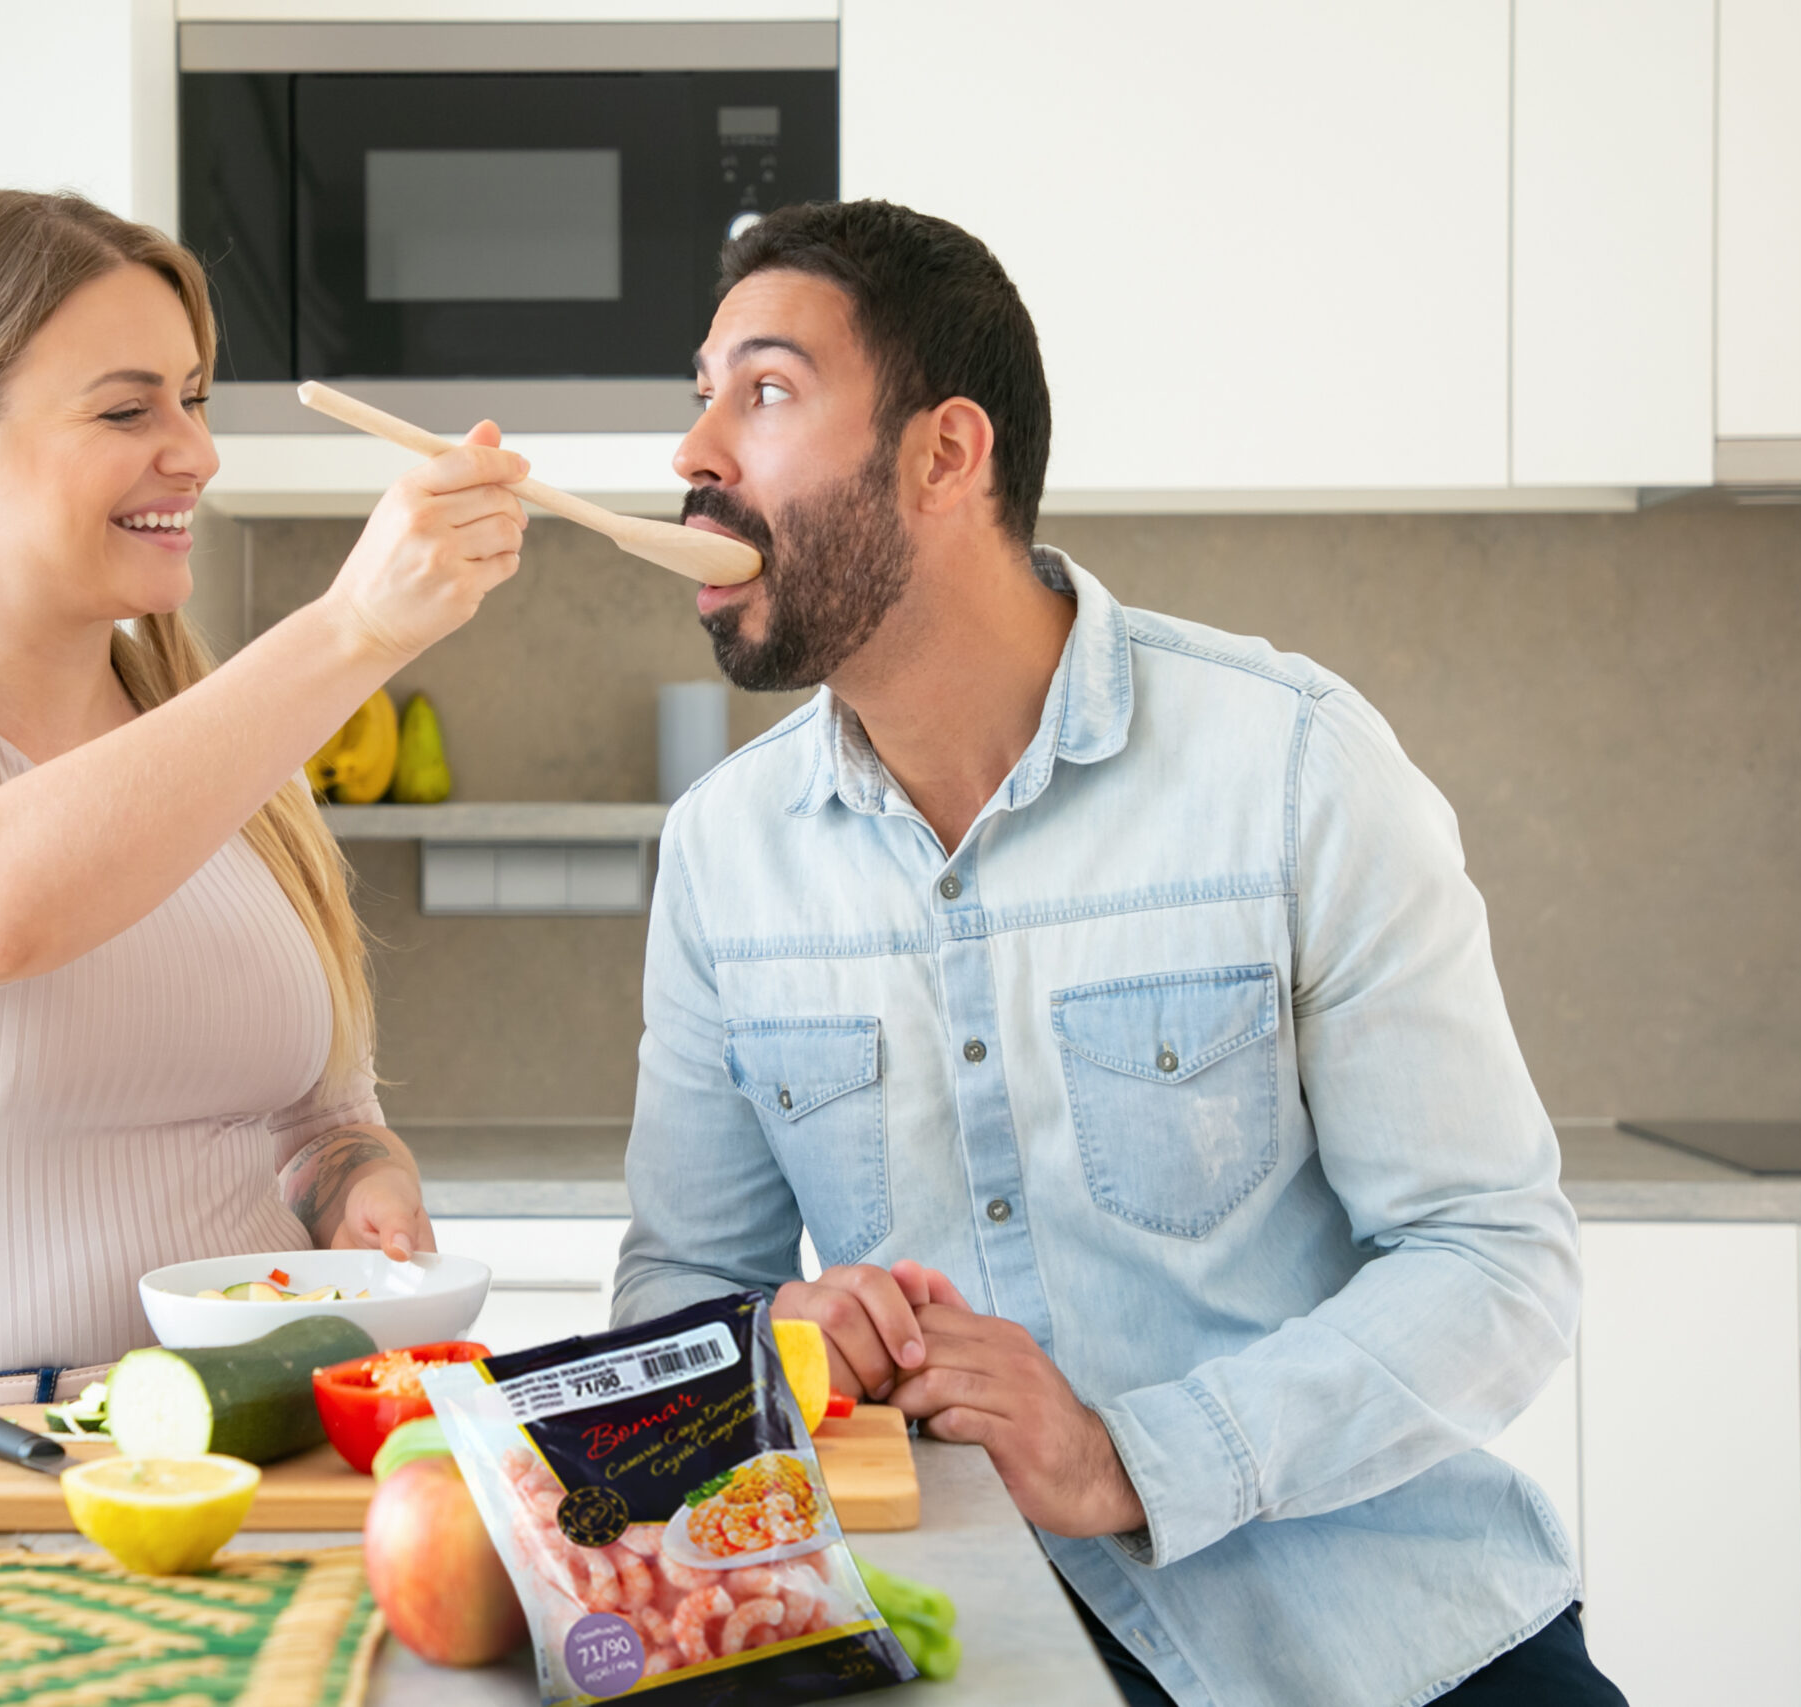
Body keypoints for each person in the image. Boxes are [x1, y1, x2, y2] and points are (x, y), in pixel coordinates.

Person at [610, 201, 1626, 1706]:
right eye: (700, 395)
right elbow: (678, 1294)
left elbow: (1495, 1262)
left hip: (1389, 1647)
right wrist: (770, 1344)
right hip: (973, 1647)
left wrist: (1128, 1457)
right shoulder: (722, 853)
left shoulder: (1291, 769)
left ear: (948, 454)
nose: (695, 451)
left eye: (762, 392)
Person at [0, 190, 529, 1426]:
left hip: (262, 1443)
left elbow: (318, 1117)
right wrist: (350, 630)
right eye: (126, 408)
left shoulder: (217, 744)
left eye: (192, 399)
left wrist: (360, 1183)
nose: (193, 452)